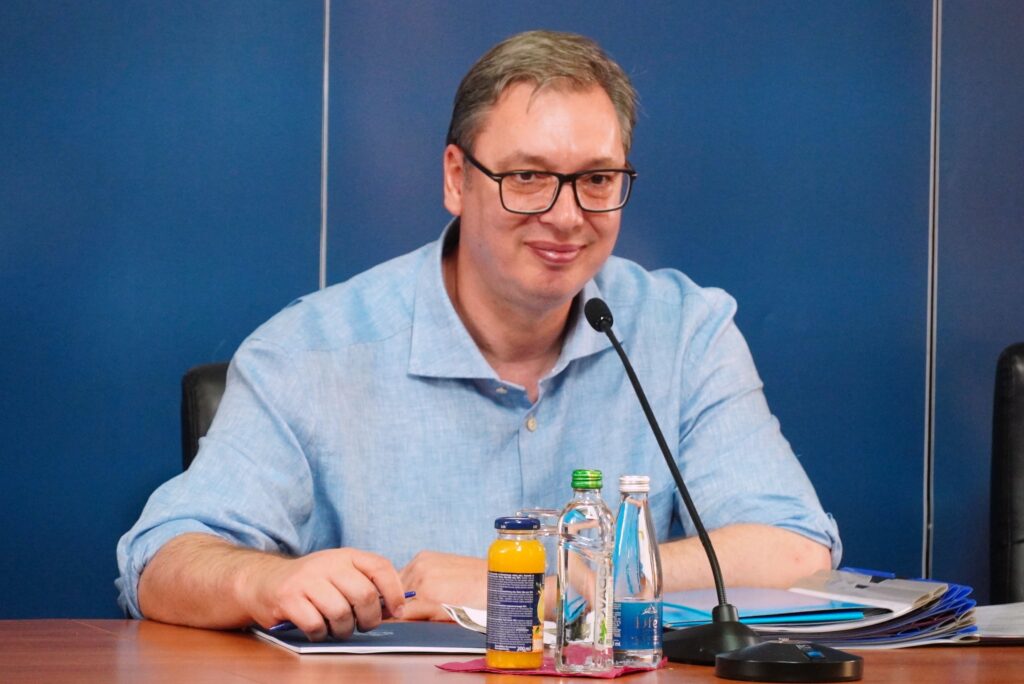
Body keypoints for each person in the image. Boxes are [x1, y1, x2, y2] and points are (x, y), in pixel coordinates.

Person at [117, 30, 840, 641]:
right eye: (527, 177)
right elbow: (158, 564)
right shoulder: (312, 352)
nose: (567, 216)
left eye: (597, 179)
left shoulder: (683, 331)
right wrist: (265, 582)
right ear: (456, 179)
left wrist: (541, 581)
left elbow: (796, 550)